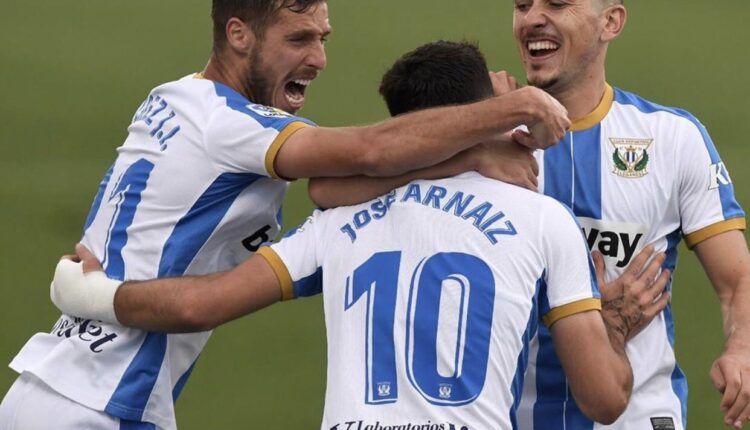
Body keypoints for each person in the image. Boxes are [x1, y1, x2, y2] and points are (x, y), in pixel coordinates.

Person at [0, 2, 571, 429]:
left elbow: (329, 184)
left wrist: (468, 154)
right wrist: (507, 113)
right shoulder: (230, 124)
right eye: (299, 39)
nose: (318, 59)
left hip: (55, 385)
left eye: (322, 37)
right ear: (239, 34)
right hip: (102, 402)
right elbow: (366, 153)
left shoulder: (175, 98)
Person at [504, 1, 750, 429]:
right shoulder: (487, 144)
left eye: (557, 3)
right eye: (522, 5)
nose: (532, 18)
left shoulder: (672, 139)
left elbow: (737, 280)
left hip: (638, 417)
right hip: (512, 419)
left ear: (611, 22)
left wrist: (742, 349)